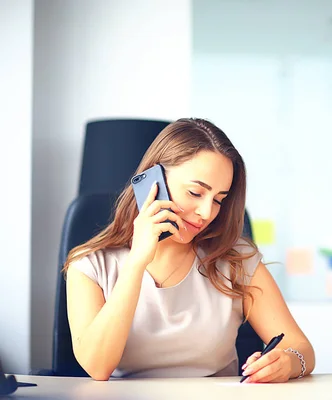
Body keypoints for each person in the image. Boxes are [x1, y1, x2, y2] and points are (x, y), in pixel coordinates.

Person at [63, 118, 315, 382]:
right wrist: (136, 262)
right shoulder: (90, 266)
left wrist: (287, 362)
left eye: (219, 199)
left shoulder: (237, 260)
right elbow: (97, 366)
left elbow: (302, 349)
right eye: (195, 192)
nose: (207, 213)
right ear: (153, 182)